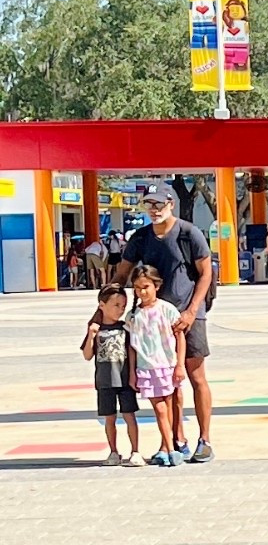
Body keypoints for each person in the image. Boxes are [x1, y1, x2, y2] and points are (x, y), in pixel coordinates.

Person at [114, 182, 214, 464]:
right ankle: (175, 440)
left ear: (171, 203)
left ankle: (204, 439)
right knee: (168, 384)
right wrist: (105, 311)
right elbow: (122, 275)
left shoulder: (188, 233)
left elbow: (205, 273)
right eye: (149, 204)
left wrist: (193, 310)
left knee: (195, 376)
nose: (154, 209)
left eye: (159, 203)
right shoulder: (141, 237)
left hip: (185, 314)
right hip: (153, 319)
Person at [125, 266, 186, 467]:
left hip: (167, 365)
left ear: (156, 286)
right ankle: (169, 448)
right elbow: (132, 346)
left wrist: (179, 365)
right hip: (146, 368)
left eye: (146, 287)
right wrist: (133, 372)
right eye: (137, 288)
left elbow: (180, 337)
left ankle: (166, 447)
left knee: (167, 406)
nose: (142, 292)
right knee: (160, 408)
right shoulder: (133, 315)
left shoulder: (167, 309)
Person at [82, 284, 142, 465]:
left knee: (129, 415)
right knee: (109, 418)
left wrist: (133, 375)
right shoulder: (96, 328)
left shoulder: (125, 328)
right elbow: (87, 355)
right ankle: (114, 451)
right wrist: (91, 335)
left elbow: (132, 352)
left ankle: (135, 451)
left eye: (123, 306)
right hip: (105, 381)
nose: (120, 309)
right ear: (102, 304)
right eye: (116, 305)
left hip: (124, 379)